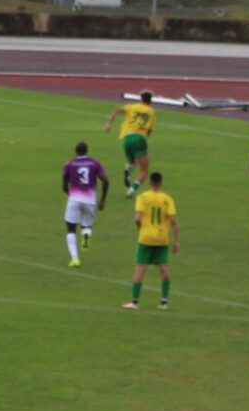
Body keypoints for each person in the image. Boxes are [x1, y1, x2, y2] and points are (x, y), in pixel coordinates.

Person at [124, 171, 179, 311]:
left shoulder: (143, 197)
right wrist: (176, 241)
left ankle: (135, 302)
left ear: (149, 182)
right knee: (164, 269)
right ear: (161, 183)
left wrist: (140, 227)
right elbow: (173, 221)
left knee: (140, 268)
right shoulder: (167, 199)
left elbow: (137, 218)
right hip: (162, 239)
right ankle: (164, 302)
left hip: (146, 238)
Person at [61, 140, 111, 267]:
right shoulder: (95, 163)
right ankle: (86, 239)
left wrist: (70, 194)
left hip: (74, 199)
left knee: (71, 229)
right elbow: (105, 181)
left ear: (76, 151)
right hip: (90, 200)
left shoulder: (70, 164)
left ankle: (75, 258)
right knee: (86, 226)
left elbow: (64, 186)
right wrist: (103, 199)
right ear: (87, 151)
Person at [105, 91, 158, 197]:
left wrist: (108, 124)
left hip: (127, 138)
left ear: (140, 99)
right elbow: (149, 132)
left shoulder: (132, 107)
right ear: (150, 101)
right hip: (139, 138)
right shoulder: (151, 111)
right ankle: (131, 190)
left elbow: (116, 110)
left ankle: (127, 171)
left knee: (132, 162)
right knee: (144, 170)